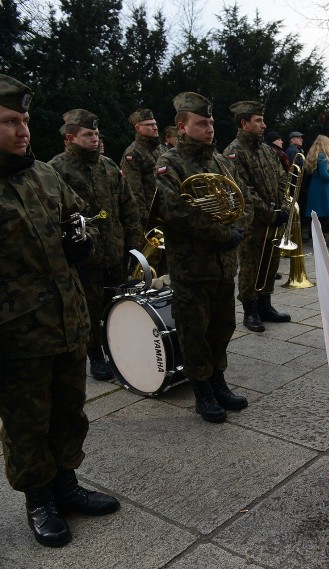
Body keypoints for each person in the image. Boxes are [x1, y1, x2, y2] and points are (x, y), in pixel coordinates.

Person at [0, 73, 120, 549]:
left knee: (69, 409)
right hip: (17, 333)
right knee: (27, 419)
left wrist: (80, 237)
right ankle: (39, 499)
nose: (23, 129)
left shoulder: (43, 174)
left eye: (25, 120)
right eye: (10, 121)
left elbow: (76, 217)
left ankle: (66, 485)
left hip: (68, 320)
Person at [154, 92, 248, 423]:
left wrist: (239, 227)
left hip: (223, 265)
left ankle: (218, 381)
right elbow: (176, 211)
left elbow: (240, 200)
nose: (209, 128)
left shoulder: (221, 161)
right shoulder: (169, 163)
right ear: (182, 126)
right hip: (191, 267)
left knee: (222, 326)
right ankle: (202, 391)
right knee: (195, 331)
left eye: (210, 122)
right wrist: (224, 234)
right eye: (201, 123)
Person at [49, 109, 144, 381]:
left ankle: (116, 350)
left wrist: (133, 245)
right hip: (86, 256)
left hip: (115, 252)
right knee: (89, 307)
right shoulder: (56, 168)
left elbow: (128, 206)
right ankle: (95, 355)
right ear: (70, 137)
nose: (94, 139)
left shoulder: (109, 166)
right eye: (88, 134)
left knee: (115, 304)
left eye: (96, 134)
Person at [223, 100, 291, 333]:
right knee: (250, 265)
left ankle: (265, 305)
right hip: (252, 221)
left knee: (271, 262)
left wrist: (282, 205)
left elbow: (282, 177)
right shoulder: (233, 152)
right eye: (258, 120)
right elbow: (242, 191)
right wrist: (269, 213)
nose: (264, 125)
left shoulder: (266, 150)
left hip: (272, 218)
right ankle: (250, 310)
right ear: (244, 123)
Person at [120, 108, 168, 218]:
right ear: (138, 128)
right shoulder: (133, 154)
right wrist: (144, 216)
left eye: (155, 124)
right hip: (150, 212)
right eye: (149, 125)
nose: (155, 128)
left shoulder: (163, 150)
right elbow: (133, 189)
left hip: (169, 209)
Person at [303, 134, 329, 240]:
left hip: (316, 186)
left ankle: (313, 233)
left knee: (316, 214)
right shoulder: (323, 156)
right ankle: (319, 235)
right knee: (325, 214)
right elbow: (324, 175)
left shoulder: (315, 154)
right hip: (323, 188)